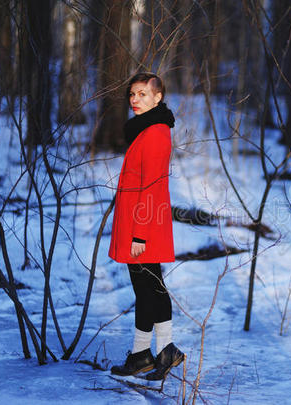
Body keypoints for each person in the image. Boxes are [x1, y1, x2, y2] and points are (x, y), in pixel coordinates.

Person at [108, 72, 184, 380]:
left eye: (142, 94)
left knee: (151, 287)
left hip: (144, 224)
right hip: (139, 220)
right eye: (132, 95)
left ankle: (166, 350)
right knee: (147, 289)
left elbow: (151, 186)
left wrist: (140, 233)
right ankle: (143, 355)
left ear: (158, 97)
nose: (135, 100)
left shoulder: (155, 132)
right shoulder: (146, 129)